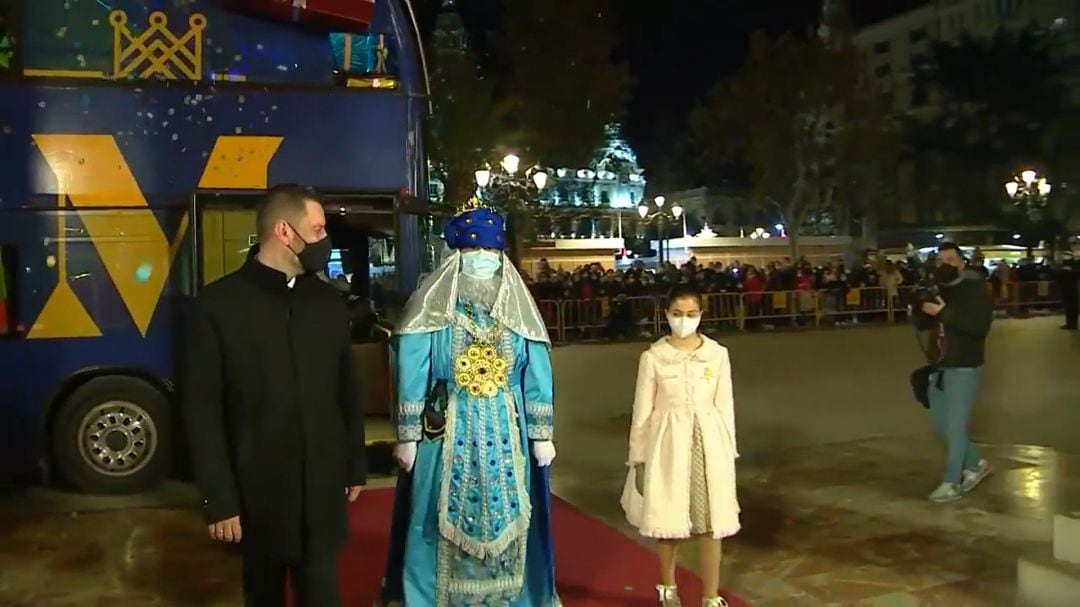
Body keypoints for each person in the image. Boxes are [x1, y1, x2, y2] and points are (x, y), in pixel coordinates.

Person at [182, 184, 367, 607]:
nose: (325, 240)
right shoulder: (216, 306)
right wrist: (218, 498)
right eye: (317, 229)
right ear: (285, 231)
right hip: (256, 496)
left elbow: (346, 390)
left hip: (321, 492)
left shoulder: (327, 303)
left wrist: (355, 464)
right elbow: (201, 412)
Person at [380, 198, 560, 606]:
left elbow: (536, 367)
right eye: (473, 251)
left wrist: (541, 433)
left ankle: (514, 597)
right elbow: (412, 366)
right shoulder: (433, 312)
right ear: (455, 257)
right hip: (445, 429)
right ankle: (431, 597)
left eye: (491, 252)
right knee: (431, 514)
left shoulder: (517, 313)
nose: (483, 260)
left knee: (517, 517)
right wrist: (407, 435)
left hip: (507, 430)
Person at [621, 284, 739, 607]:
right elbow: (641, 411)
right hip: (667, 444)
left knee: (710, 522)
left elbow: (725, 405)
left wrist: (729, 448)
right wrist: (639, 456)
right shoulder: (653, 358)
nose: (684, 321)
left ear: (701, 314)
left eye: (691, 314)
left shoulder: (717, 355)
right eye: (677, 314)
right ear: (666, 315)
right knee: (668, 521)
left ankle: (710, 594)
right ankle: (667, 588)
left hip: (708, 443)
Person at [918, 242, 993, 503]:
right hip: (939, 366)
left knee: (955, 426)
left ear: (962, 262)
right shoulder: (940, 290)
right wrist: (920, 309)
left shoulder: (974, 289)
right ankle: (976, 464)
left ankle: (951, 482)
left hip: (963, 366)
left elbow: (978, 327)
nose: (946, 265)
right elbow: (926, 324)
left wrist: (943, 313)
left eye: (951, 259)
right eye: (940, 260)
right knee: (941, 425)